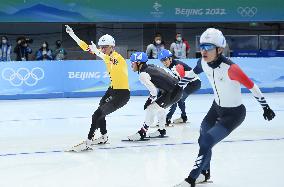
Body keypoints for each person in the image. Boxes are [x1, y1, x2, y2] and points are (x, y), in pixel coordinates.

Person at [174, 28, 275, 187]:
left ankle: (191, 179)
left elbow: (252, 87)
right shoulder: (202, 62)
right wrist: (178, 87)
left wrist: (266, 107)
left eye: (208, 47)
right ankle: (204, 174)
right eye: (202, 47)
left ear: (219, 49)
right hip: (216, 108)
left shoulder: (231, 69)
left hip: (234, 114)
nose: (203, 51)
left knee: (207, 140)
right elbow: (192, 74)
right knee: (202, 137)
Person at [65, 25, 130, 152]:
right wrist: (72, 35)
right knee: (100, 108)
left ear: (112, 47)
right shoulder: (106, 55)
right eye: (101, 47)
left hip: (122, 94)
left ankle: (88, 142)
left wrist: (98, 51)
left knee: (96, 115)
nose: (102, 49)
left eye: (105, 47)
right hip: (112, 90)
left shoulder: (118, 58)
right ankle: (104, 136)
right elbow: (86, 47)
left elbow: (109, 59)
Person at [127, 52, 183, 141]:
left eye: (132, 63)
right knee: (159, 108)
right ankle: (161, 130)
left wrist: (149, 101)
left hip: (172, 92)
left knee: (151, 108)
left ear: (138, 63)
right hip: (175, 90)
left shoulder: (143, 74)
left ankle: (142, 132)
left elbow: (153, 92)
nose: (131, 65)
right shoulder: (151, 66)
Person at [158, 49, 201, 125]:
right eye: (162, 61)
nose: (164, 62)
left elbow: (183, 81)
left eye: (165, 60)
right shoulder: (172, 65)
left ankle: (167, 119)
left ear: (170, 58)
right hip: (190, 82)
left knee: (176, 99)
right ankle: (183, 117)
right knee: (179, 99)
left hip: (193, 83)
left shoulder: (176, 66)